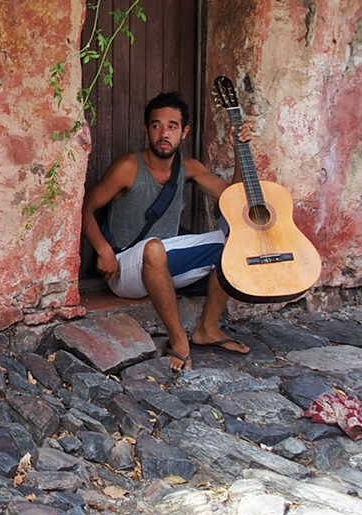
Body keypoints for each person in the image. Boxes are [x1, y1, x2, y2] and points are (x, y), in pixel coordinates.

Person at [81, 90, 250, 372]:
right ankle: (179, 341)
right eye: (156, 125)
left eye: (172, 126)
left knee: (236, 236)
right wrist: (103, 249)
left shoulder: (190, 168)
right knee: (155, 247)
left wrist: (240, 149)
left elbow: (234, 198)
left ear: (185, 132)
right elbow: (85, 207)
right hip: (125, 269)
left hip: (166, 265)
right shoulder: (128, 168)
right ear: (146, 129)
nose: (163, 133)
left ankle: (207, 328)